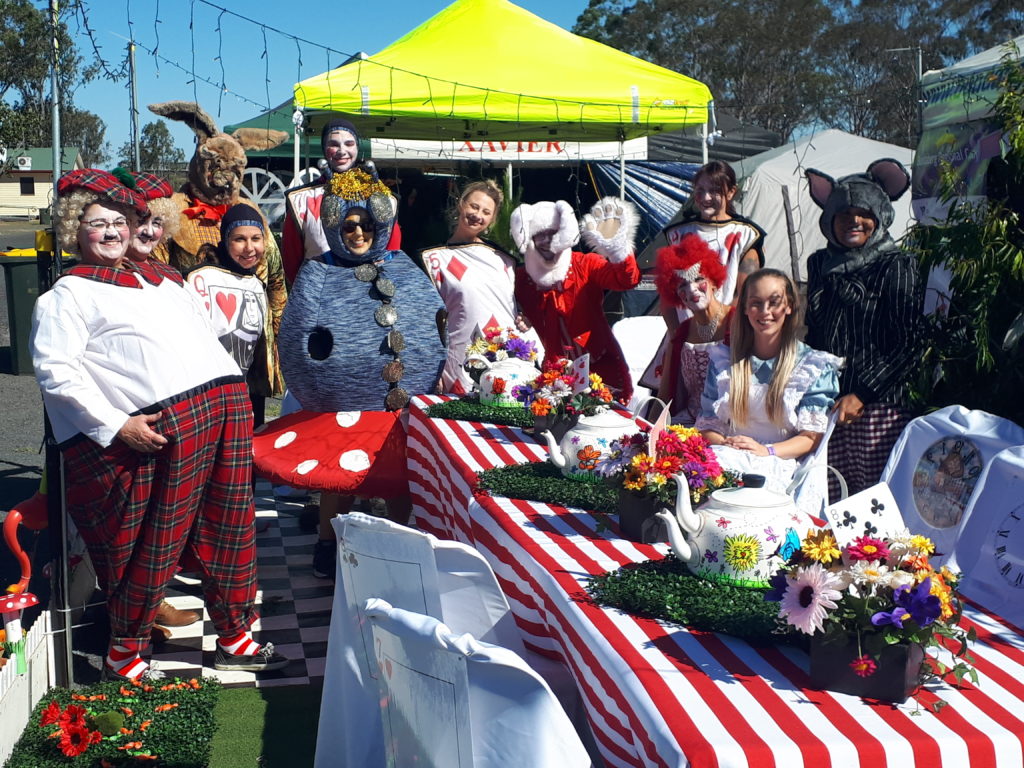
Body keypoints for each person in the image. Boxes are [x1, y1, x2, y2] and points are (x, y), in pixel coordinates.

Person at [31, 169, 288, 680]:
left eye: (117, 223)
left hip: (224, 412)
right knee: (149, 544)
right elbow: (56, 375)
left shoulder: (165, 280)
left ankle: (236, 636)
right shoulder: (67, 295)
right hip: (171, 429)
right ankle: (124, 655)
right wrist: (116, 425)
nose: (111, 232)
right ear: (73, 232)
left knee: (231, 530)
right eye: (96, 224)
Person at [270, 165, 445, 579]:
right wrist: (314, 393)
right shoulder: (319, 270)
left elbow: (431, 318)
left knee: (398, 476)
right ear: (335, 227)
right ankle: (329, 545)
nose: (358, 233)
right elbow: (293, 339)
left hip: (399, 407)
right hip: (341, 407)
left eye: (366, 224)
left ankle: (401, 543)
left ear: (381, 223)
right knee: (338, 480)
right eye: (349, 226)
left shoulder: (402, 264)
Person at [804, 159, 922, 498]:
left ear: (880, 217)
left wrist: (863, 395)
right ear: (830, 219)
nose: (854, 221)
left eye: (864, 213)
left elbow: (910, 343)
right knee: (830, 497)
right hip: (830, 403)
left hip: (881, 407)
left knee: (874, 505)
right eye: (843, 213)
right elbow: (814, 333)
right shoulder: (820, 265)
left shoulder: (897, 265)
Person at [696, 269, 841, 509]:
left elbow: (811, 437)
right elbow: (708, 425)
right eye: (756, 304)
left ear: (789, 306)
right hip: (730, 454)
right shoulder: (724, 361)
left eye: (774, 303)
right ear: (744, 308)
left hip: (781, 463)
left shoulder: (812, 365)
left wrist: (765, 451)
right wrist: (727, 443)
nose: (765, 312)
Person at [643, 161, 766, 394]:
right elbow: (667, 292)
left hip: (726, 335)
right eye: (700, 190)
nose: (706, 197)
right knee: (673, 405)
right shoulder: (679, 234)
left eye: (715, 191)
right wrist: (676, 335)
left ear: (731, 192)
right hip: (684, 334)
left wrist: (726, 335)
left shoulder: (745, 235)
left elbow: (746, 294)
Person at [512, 197, 640, 403]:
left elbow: (626, 280)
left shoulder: (585, 264)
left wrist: (618, 250)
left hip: (602, 368)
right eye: (539, 235)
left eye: (552, 233)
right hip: (556, 374)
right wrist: (520, 314)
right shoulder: (523, 278)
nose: (546, 241)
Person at [423, 179, 541, 393]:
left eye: (486, 212)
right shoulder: (434, 259)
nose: (478, 215)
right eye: (474, 206)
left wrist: (527, 316)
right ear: (461, 204)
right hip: (458, 358)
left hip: (506, 354)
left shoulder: (504, 260)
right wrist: (433, 368)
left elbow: (524, 301)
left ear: (492, 219)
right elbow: (427, 320)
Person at [282, 118, 401, 284]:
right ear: (324, 148)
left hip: (369, 295)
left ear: (357, 148)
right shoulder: (300, 200)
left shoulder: (383, 197)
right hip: (320, 294)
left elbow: (392, 255)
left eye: (349, 144)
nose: (342, 150)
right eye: (334, 144)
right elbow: (292, 262)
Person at [186, 205, 272, 423]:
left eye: (256, 239)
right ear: (225, 240)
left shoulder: (258, 285)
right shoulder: (199, 278)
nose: (249, 248)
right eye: (239, 239)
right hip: (207, 393)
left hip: (248, 394)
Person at [653, 234, 734, 424]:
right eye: (682, 284)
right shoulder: (681, 334)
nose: (692, 289)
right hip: (689, 424)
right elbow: (664, 395)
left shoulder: (739, 321)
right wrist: (646, 433)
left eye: (698, 279)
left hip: (734, 425)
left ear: (714, 282)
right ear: (676, 294)